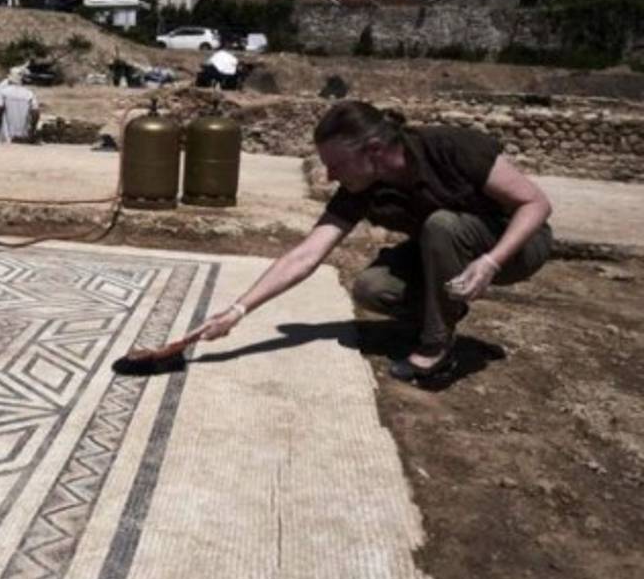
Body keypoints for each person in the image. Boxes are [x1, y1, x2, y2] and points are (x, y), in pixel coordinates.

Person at [197, 99, 554, 382]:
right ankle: (442, 312)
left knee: (441, 224)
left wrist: (491, 262)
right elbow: (306, 254)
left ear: (374, 150)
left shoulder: (448, 147)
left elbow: (536, 204)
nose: (330, 174)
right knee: (372, 287)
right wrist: (237, 311)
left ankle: (436, 349)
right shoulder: (362, 186)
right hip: (445, 250)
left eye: (336, 164)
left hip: (517, 245)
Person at [0, 66, 40, 143]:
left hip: (6, 138)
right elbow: (35, 113)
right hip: (24, 138)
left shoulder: (3, 92)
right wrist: (32, 131)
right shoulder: (29, 94)